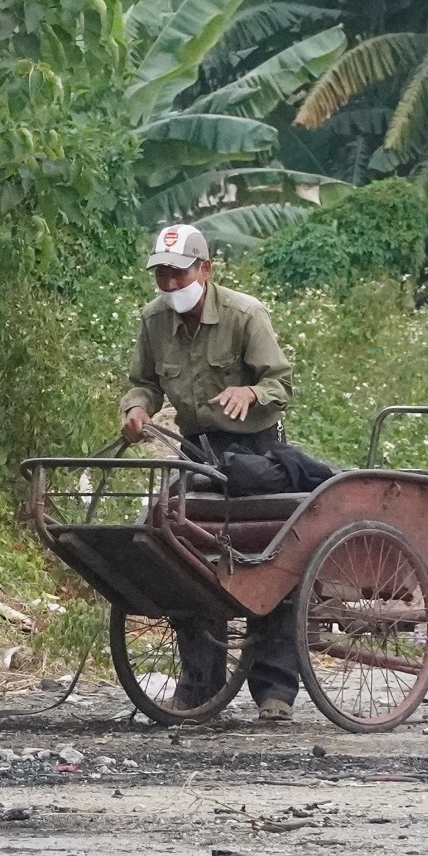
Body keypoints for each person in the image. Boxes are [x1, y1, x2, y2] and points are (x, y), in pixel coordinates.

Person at [118, 222, 303, 722]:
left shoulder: (246, 315)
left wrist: (251, 392)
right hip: (199, 452)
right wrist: (136, 409)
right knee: (182, 554)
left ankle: (275, 693)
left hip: (258, 455)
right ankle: (200, 688)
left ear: (205, 269)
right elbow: (143, 382)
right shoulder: (153, 320)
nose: (172, 286)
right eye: (163, 277)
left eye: (180, 275)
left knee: (274, 558)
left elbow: (281, 382)